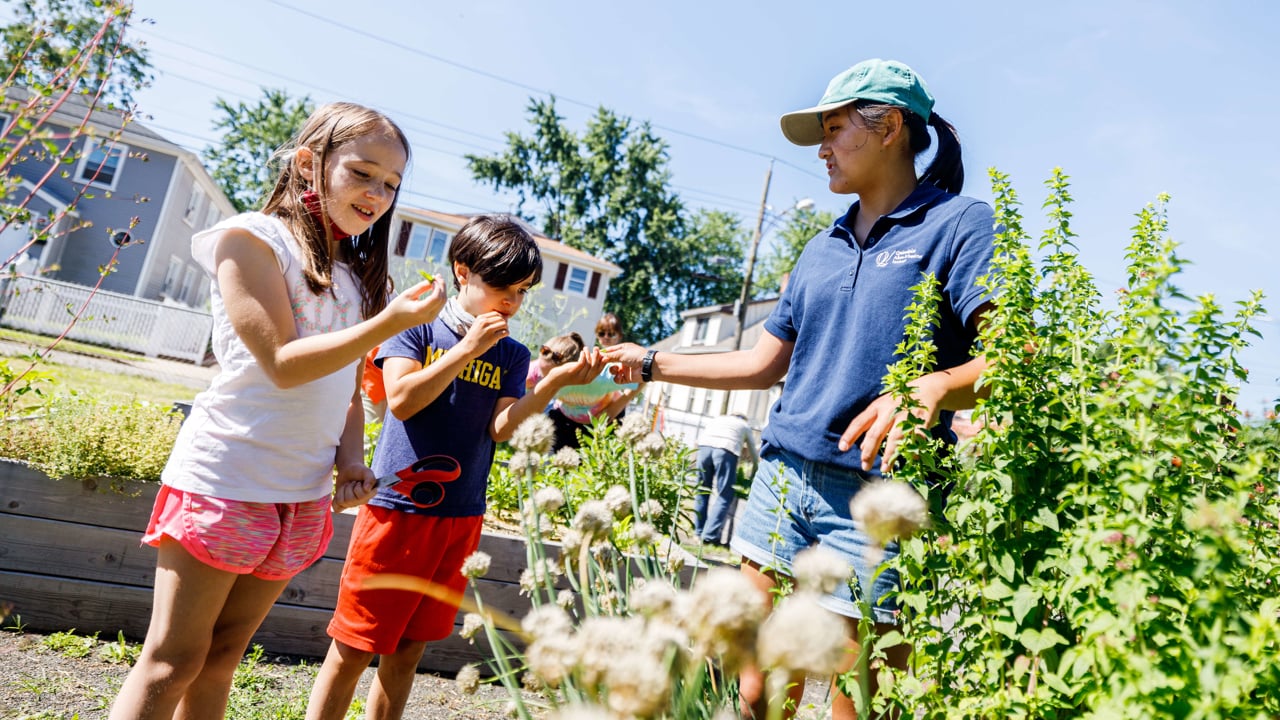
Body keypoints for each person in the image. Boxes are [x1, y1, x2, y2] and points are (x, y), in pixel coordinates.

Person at [607, 59, 996, 719]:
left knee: (855, 703)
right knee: (750, 688)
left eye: (834, 128)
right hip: (782, 482)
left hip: (878, 500)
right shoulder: (822, 246)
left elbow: (1011, 357)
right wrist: (650, 363)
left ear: (890, 127)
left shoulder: (961, 225)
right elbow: (761, 363)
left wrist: (933, 386)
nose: (821, 148)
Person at [108, 103, 446, 720]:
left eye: (391, 184)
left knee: (222, 656)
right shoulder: (250, 240)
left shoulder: (358, 275)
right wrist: (386, 323)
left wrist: (350, 459)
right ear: (307, 163)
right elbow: (283, 362)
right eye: (363, 173)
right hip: (228, 479)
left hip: (300, 492)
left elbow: (345, 386)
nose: (377, 194)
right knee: (173, 660)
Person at [304, 215, 606, 720]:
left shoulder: (512, 354)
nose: (511, 302)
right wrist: (467, 349)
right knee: (355, 646)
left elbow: (501, 428)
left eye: (523, 292)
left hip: (461, 517)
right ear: (463, 271)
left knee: (407, 652)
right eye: (502, 287)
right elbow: (401, 400)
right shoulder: (417, 328)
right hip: (396, 511)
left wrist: (553, 386)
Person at [545, 312, 640, 450]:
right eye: (602, 333)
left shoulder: (621, 362)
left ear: (619, 336)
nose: (606, 337)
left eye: (611, 333)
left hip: (602, 420)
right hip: (569, 417)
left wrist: (615, 408)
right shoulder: (589, 358)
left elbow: (641, 379)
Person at [693, 412, 758, 546]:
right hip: (726, 450)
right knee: (725, 494)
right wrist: (755, 470)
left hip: (704, 448)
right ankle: (709, 536)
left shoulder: (717, 418)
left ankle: (698, 532)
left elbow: (699, 439)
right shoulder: (744, 425)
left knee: (702, 490)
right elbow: (753, 451)